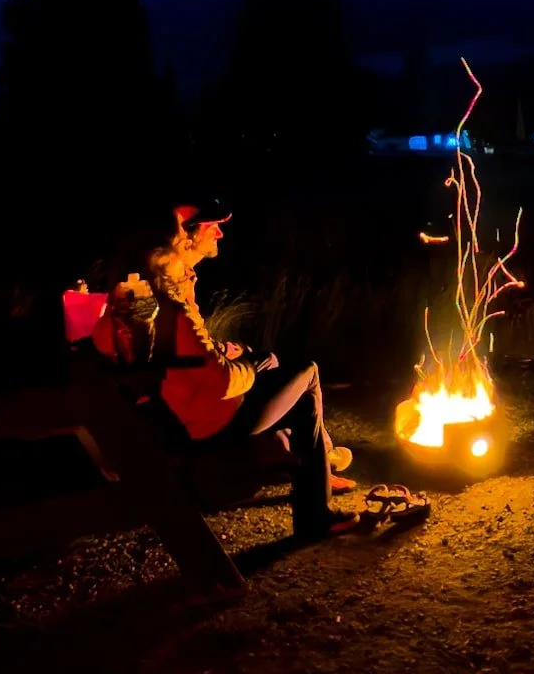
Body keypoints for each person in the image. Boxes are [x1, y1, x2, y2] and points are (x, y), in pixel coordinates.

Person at [94, 203, 361, 541]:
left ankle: (313, 462)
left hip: (181, 413)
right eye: (211, 226)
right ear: (180, 241)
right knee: (307, 374)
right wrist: (243, 365)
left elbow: (173, 355)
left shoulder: (135, 302)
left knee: (268, 360)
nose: (220, 232)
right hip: (212, 421)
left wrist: (224, 353)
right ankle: (315, 511)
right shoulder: (173, 306)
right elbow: (218, 380)